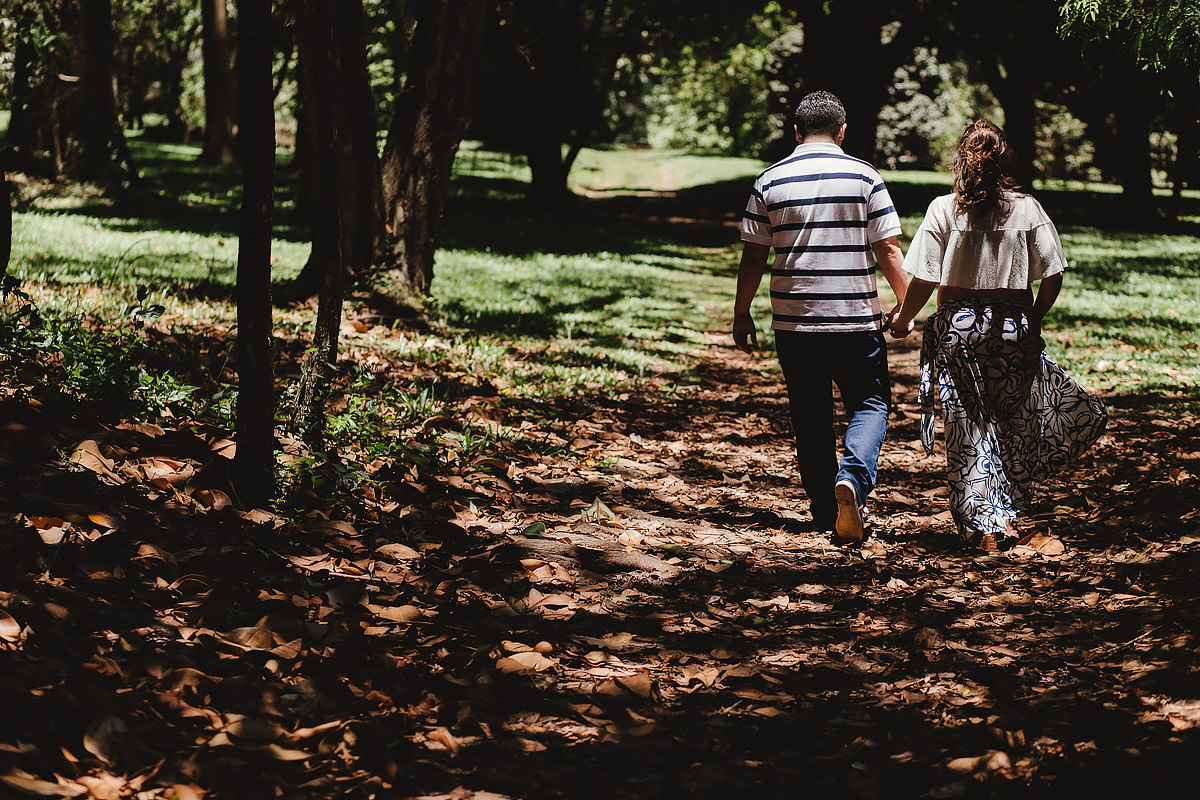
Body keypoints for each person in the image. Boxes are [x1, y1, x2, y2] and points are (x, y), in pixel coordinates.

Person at [889, 119, 1107, 551]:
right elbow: (1054, 272)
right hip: (1012, 330)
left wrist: (902, 318)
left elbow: (925, 278)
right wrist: (1035, 318)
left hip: (959, 331)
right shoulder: (1027, 209)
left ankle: (980, 524)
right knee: (1013, 423)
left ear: (960, 163)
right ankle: (1006, 511)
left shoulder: (942, 209)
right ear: (1003, 160)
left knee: (968, 427)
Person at [732, 90, 908, 543]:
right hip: (855, 319)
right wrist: (906, 307)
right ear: (842, 131)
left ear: (796, 132)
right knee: (869, 404)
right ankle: (852, 479)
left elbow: (754, 255)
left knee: (809, 416)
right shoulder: (865, 176)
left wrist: (742, 312)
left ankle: (823, 509)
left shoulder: (769, 180)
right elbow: (887, 248)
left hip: (796, 321)